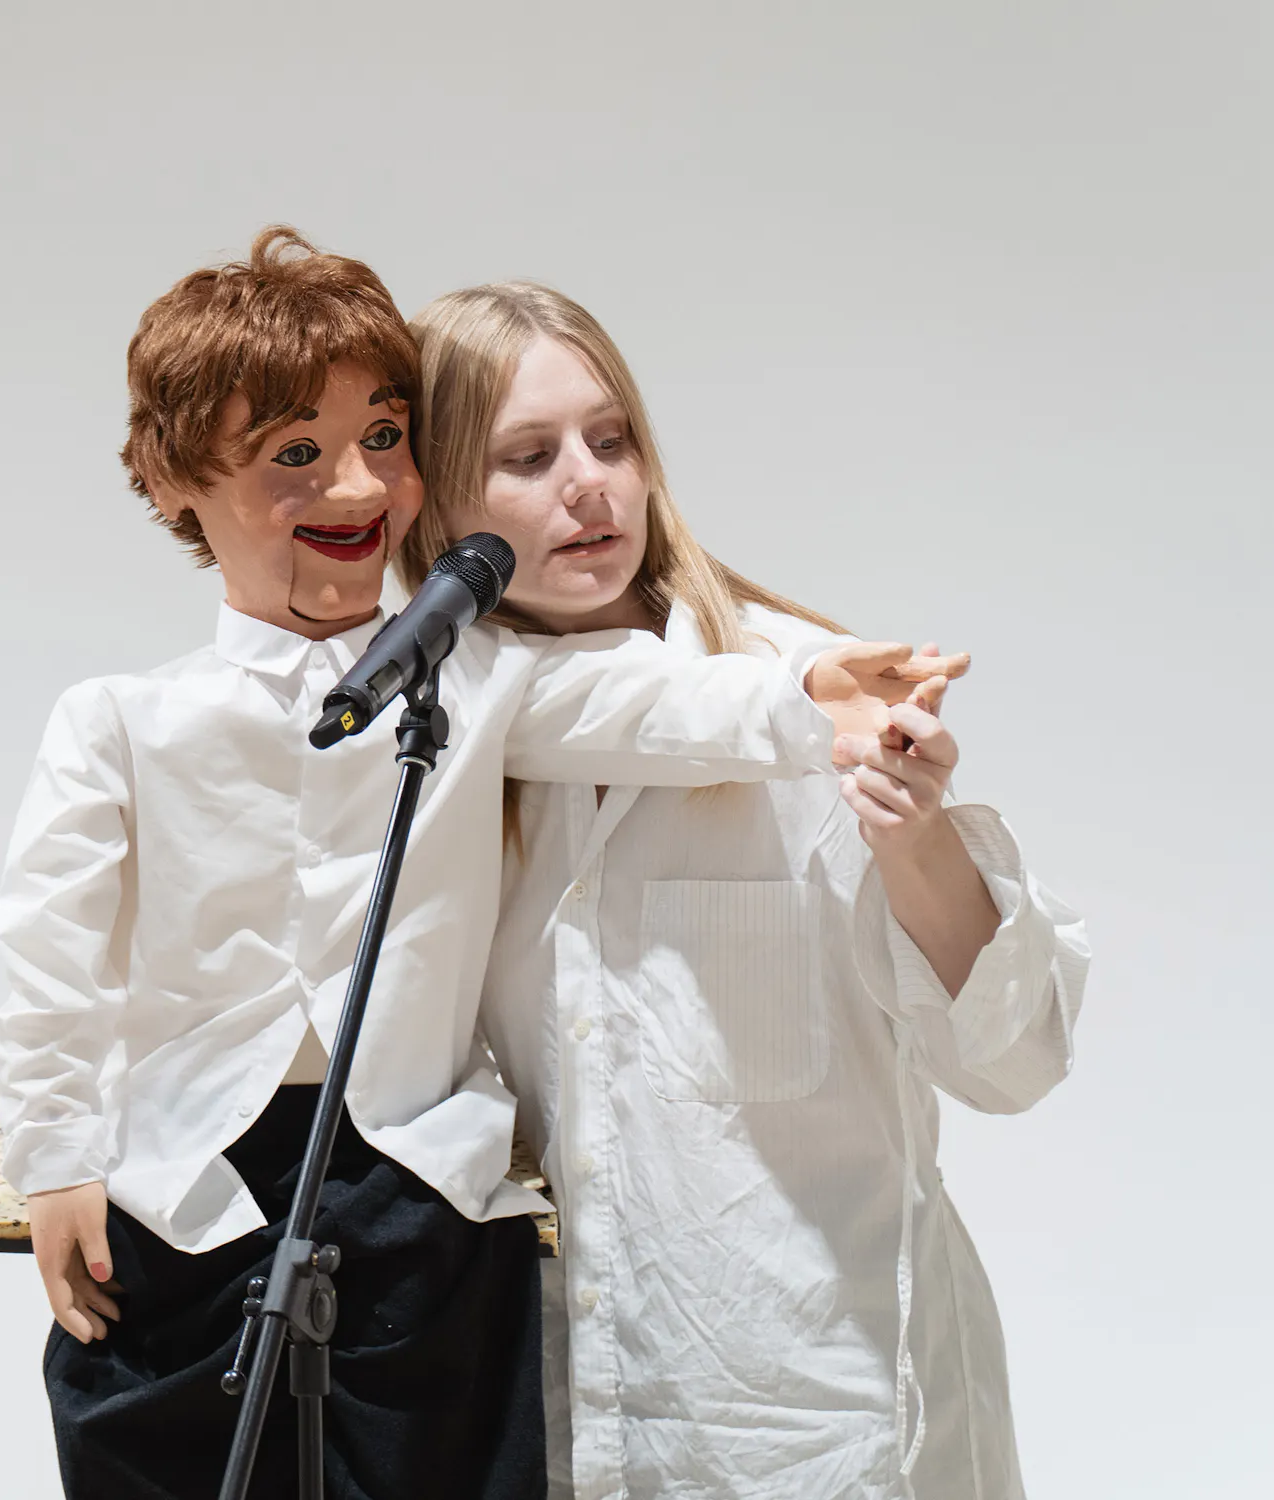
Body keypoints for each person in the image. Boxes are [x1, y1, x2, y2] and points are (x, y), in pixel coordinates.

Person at [0, 229, 958, 1500]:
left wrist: (810, 689)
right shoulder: (119, 719)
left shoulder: (480, 674)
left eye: (383, 438)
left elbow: (649, 705)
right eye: (295, 453)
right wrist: (56, 1155)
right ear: (178, 481)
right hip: (191, 1188)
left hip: (415, 1185)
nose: (354, 485)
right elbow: (49, 952)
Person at [398, 281, 1090, 1500]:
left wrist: (916, 840)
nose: (590, 483)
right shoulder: (445, 747)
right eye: (528, 455)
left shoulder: (801, 691)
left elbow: (1013, 1062)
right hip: (567, 1424)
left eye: (612, 440)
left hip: (834, 1434)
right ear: (443, 498)